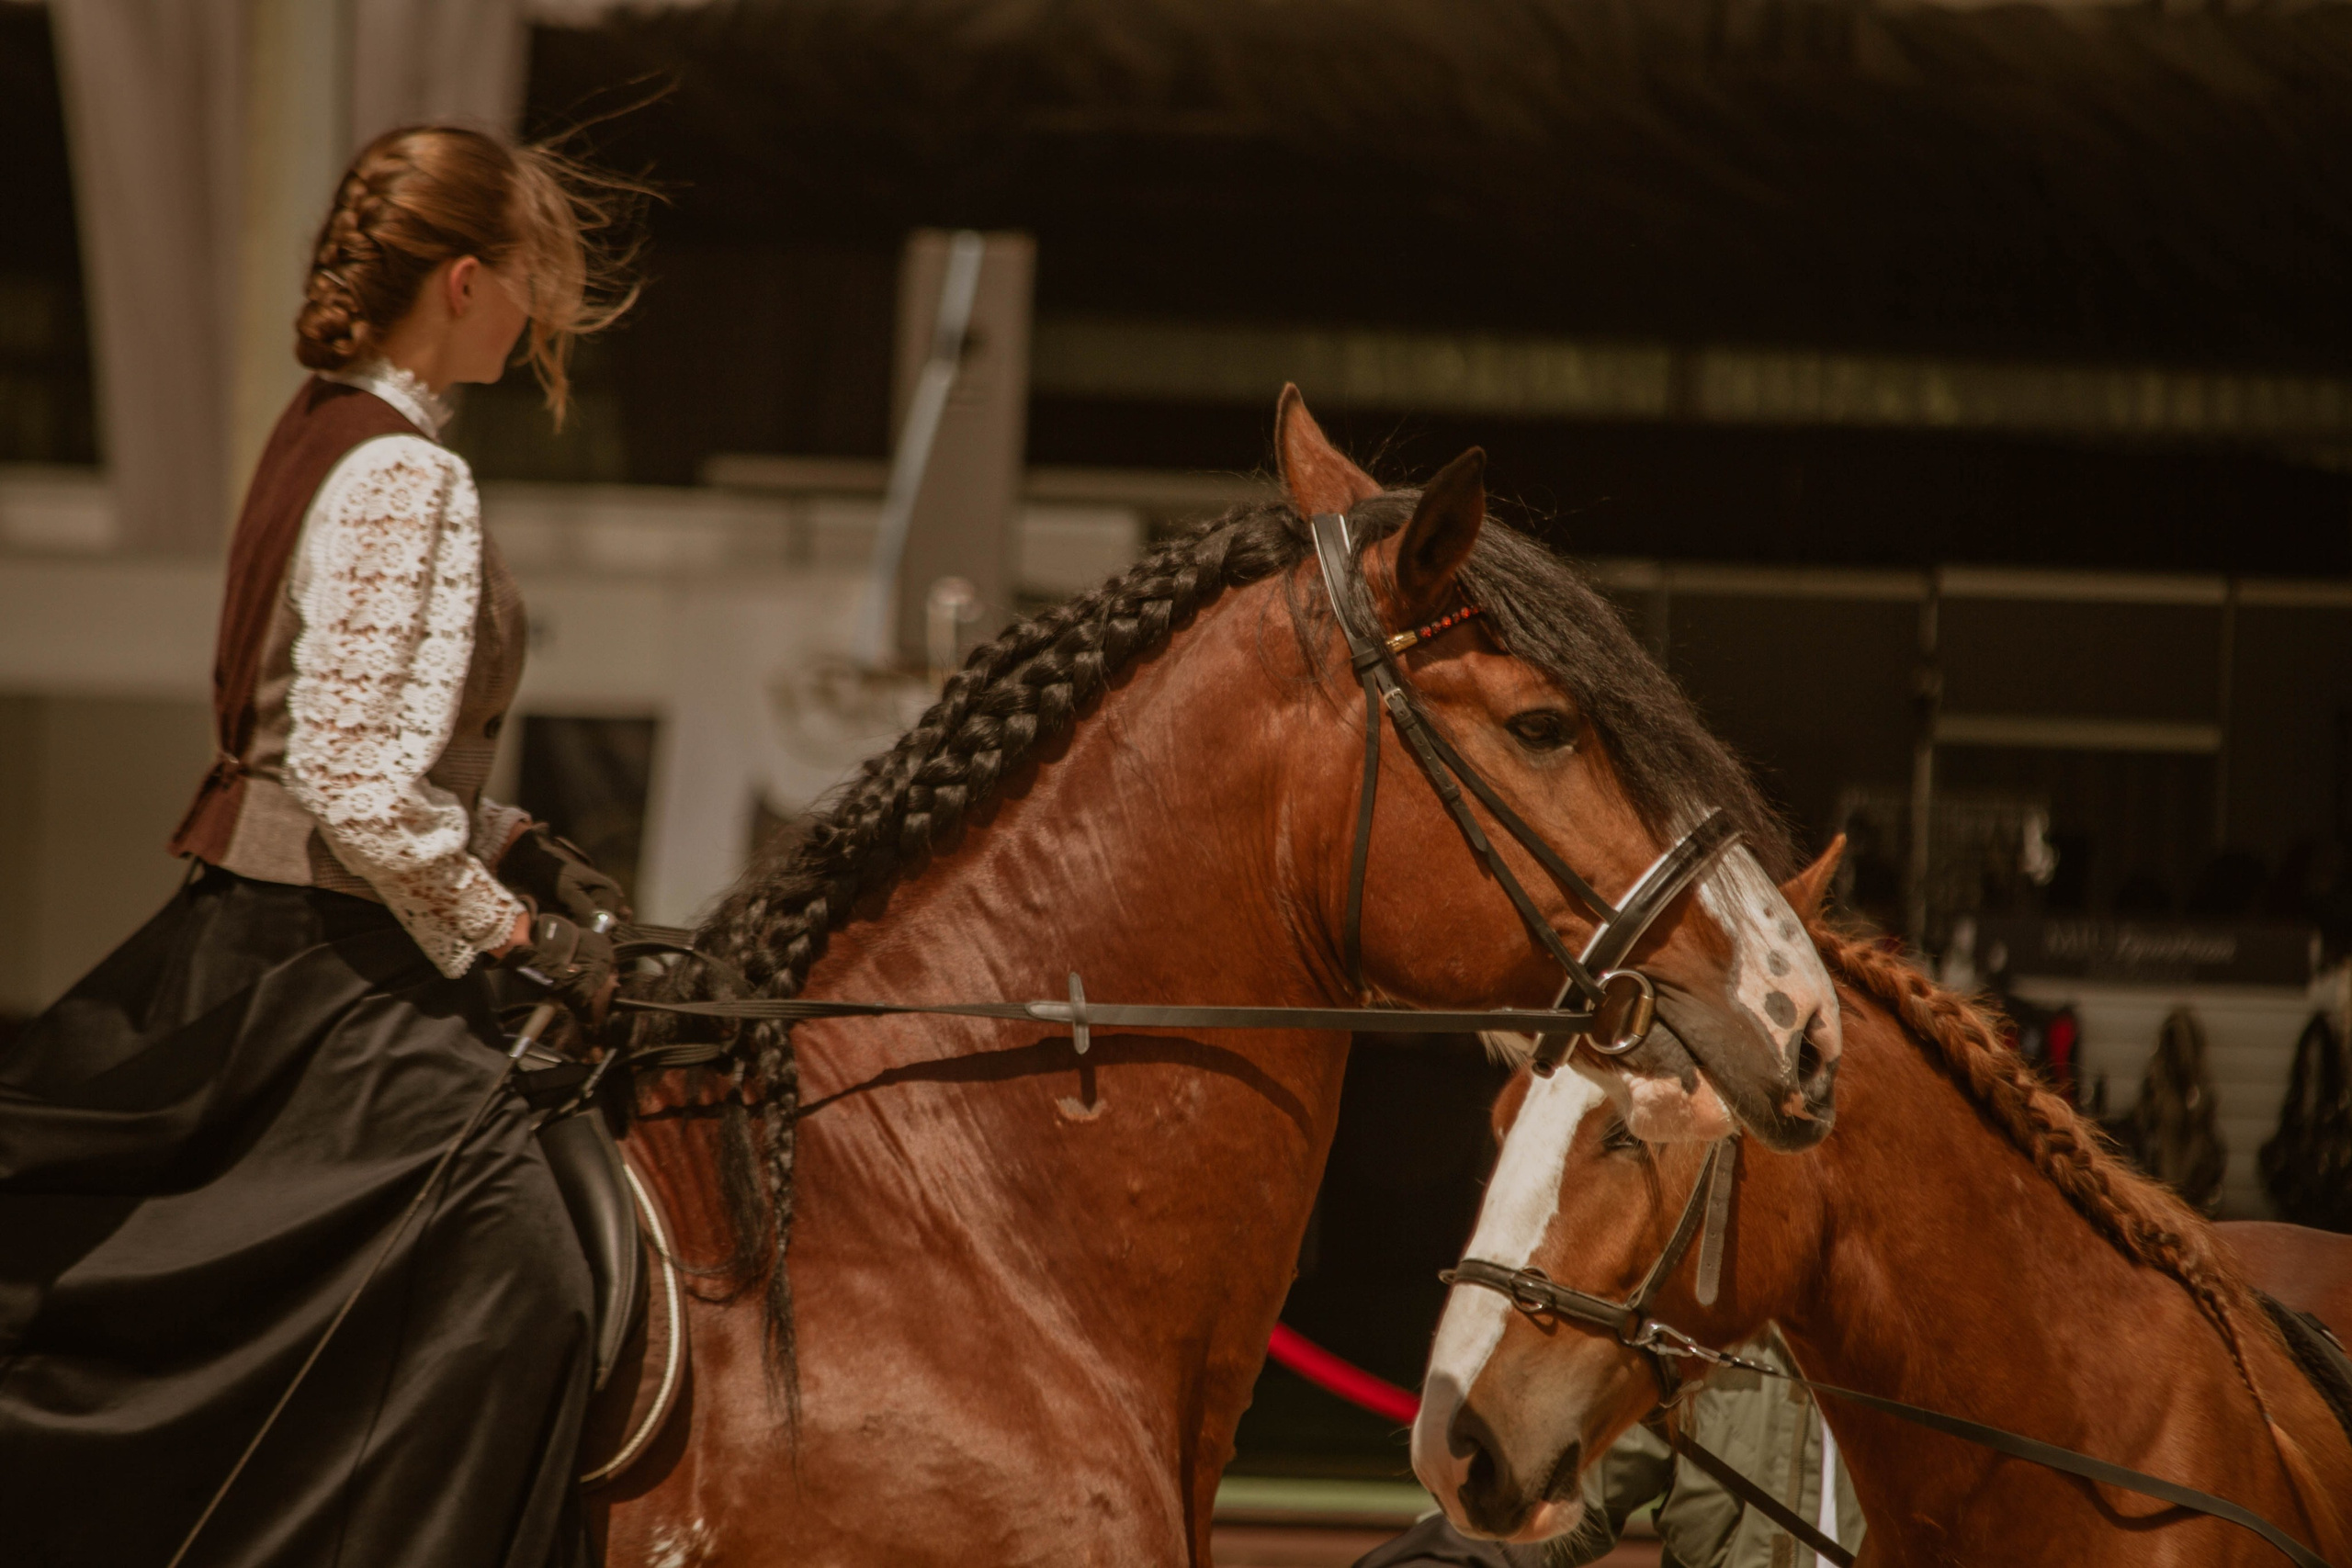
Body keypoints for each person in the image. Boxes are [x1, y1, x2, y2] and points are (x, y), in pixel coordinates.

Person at [0, 125, 641, 1567]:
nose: (540, 313)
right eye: (531, 280)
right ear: (465, 282)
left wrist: (514, 843)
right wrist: (517, 931)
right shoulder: (413, 477)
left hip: (270, 929)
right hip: (332, 966)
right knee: (527, 1279)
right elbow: (354, 779)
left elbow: (322, 752)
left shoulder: (317, 429)